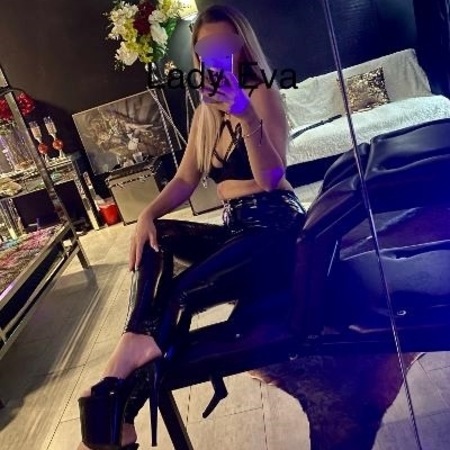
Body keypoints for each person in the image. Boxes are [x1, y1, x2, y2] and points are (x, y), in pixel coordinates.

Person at [77, 4, 306, 450]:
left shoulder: (260, 92)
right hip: (237, 228)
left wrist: (244, 114)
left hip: (274, 227)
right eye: (205, 47)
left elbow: (271, 179)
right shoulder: (206, 111)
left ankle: (116, 399)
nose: (214, 53)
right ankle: (130, 357)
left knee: (179, 295)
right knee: (157, 237)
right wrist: (146, 214)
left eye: (224, 44)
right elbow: (185, 179)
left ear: (242, 47)